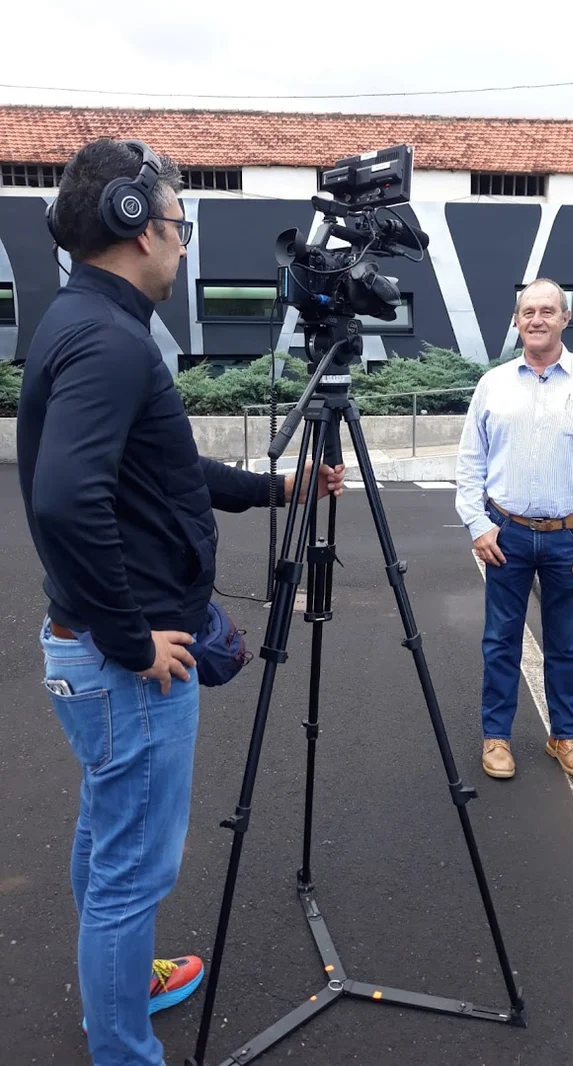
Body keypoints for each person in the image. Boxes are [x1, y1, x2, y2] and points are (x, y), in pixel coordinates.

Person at [16, 138, 345, 1066]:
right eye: (178, 223)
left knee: (105, 831)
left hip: (96, 651)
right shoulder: (111, 341)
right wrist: (129, 640)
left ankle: (118, 989)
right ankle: (123, 1046)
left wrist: (277, 490)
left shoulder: (85, 322)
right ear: (135, 227)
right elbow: (62, 499)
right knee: (132, 869)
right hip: (123, 662)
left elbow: (165, 472)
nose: (184, 243)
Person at [455, 278, 573, 781]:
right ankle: (496, 738)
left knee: (565, 643)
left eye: (547, 311)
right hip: (504, 535)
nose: (537, 319)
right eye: (528, 311)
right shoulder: (494, 384)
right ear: (516, 320)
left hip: (569, 539)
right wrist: (477, 524)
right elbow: (470, 461)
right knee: (500, 640)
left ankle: (565, 736)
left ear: (564, 318)